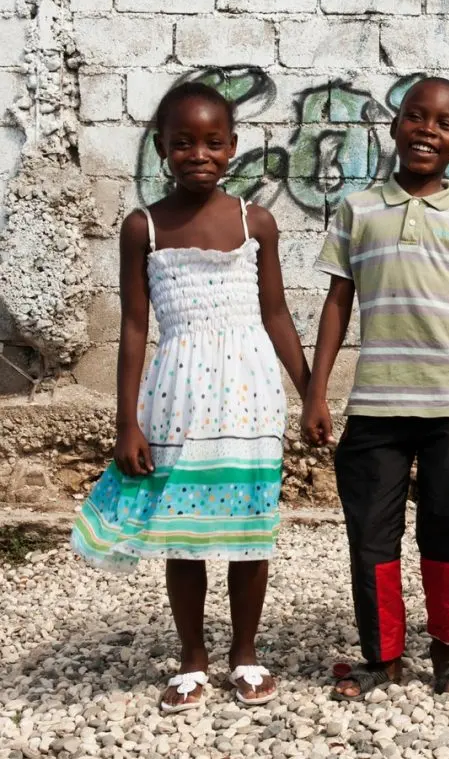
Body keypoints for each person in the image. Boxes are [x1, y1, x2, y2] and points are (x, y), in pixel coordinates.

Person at [71, 83, 312, 714]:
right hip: (176, 396)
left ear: (233, 149)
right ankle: (192, 657)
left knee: (246, 531)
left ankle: (246, 653)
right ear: (162, 149)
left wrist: (311, 391)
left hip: (251, 396)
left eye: (212, 142)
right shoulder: (141, 227)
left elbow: (278, 311)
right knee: (184, 535)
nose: (197, 154)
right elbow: (132, 327)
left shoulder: (254, 221)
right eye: (182, 143)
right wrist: (127, 422)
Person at [302, 77, 449, 699]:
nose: (428, 130)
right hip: (376, 406)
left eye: (444, 124)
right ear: (394, 126)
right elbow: (338, 302)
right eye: (416, 116)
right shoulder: (358, 209)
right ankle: (383, 655)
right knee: (371, 535)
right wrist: (316, 391)